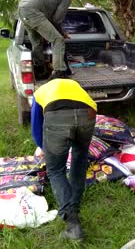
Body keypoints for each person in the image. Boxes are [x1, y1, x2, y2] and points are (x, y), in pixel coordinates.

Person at [31, 76, 97, 240]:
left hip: (57, 114)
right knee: (79, 160)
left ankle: (72, 225)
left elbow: (35, 124)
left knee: (55, 170)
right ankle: (74, 206)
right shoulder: (75, 86)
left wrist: (45, 148)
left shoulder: (41, 92)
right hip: (88, 112)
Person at [18, 0, 82, 80]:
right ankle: (59, 72)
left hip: (22, 10)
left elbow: (51, 19)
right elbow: (56, 20)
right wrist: (62, 34)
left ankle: (40, 71)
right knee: (58, 39)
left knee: (37, 42)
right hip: (34, 11)